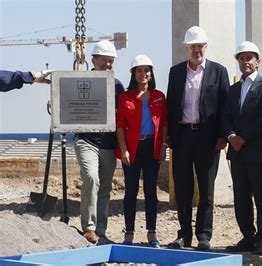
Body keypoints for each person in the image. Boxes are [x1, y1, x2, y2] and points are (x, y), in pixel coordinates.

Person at [166, 26, 229, 251]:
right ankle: (184, 235)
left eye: (200, 46)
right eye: (192, 46)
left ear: (206, 47)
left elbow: (225, 107)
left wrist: (223, 135)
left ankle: (204, 235)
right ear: (186, 48)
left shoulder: (218, 72)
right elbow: (171, 105)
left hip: (208, 138)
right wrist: (169, 135)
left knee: (206, 189)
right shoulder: (175, 73)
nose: (196, 50)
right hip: (182, 137)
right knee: (183, 190)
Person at [223, 41, 262, 255]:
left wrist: (244, 137)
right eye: (242, 58)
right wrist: (232, 136)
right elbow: (226, 116)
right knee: (241, 195)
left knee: (261, 196)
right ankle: (247, 236)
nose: (246, 61)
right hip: (237, 152)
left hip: (257, 150)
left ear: (257, 61)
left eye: (249, 58)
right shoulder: (233, 89)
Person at [73, 40, 125, 243]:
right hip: (86, 140)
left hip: (109, 144)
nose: (108, 64)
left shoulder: (118, 85)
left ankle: (101, 231)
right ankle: (89, 227)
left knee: (104, 187)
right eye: (104, 60)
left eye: (111, 61)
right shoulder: (80, 80)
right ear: (93, 60)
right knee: (91, 178)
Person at [116, 54, 168, 248]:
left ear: (151, 73)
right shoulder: (125, 97)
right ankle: (129, 233)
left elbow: (164, 123)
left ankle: (152, 233)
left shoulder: (159, 96)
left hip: (151, 148)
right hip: (132, 149)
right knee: (130, 192)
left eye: (147, 70)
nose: (143, 73)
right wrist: (124, 150)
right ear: (133, 74)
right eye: (139, 70)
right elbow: (120, 125)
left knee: (150, 192)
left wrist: (163, 145)